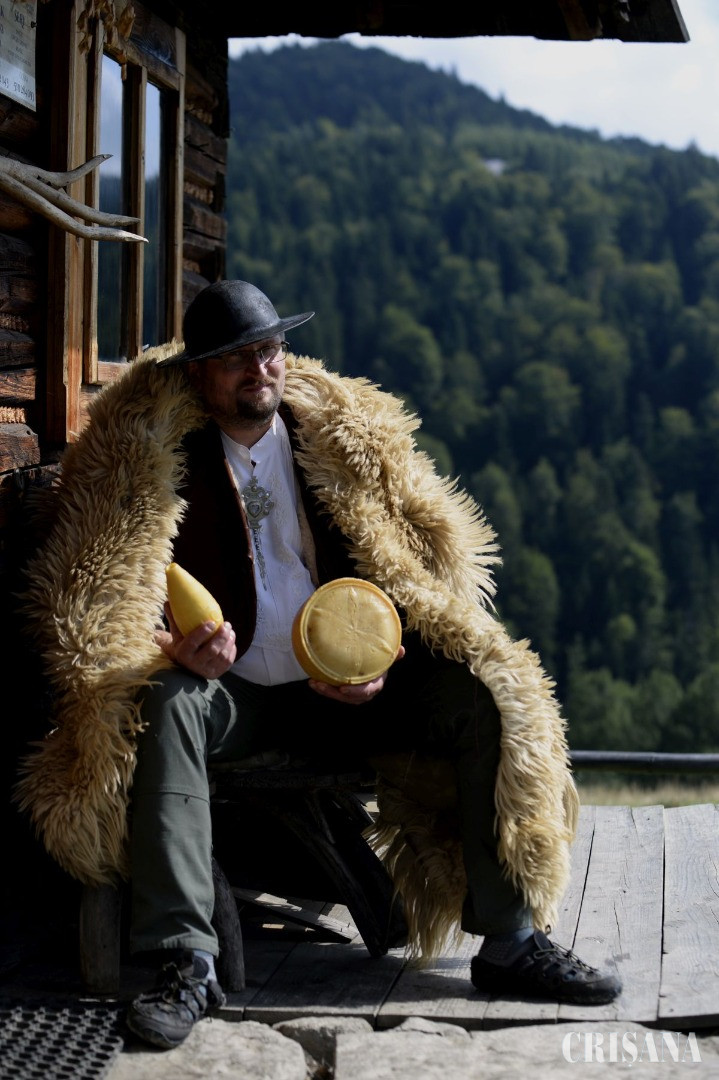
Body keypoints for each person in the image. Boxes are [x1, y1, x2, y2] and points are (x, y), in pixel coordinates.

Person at [16, 279, 621, 1050]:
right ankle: (184, 960)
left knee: (480, 692)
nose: (258, 369)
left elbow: (414, 573)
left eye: (268, 349)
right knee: (164, 703)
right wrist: (172, 648)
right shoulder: (149, 463)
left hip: (350, 693)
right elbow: (101, 600)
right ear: (198, 373)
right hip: (231, 695)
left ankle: (510, 940)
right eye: (235, 359)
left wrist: (384, 655)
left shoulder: (340, 444)